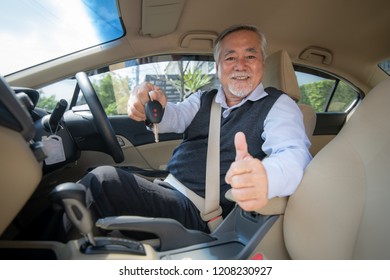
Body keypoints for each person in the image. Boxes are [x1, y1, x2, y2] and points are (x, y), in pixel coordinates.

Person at [79, 24, 312, 233]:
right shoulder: (205, 98)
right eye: (230, 58)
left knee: (103, 180)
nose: (240, 65)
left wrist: (265, 178)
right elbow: (173, 117)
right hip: (169, 187)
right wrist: (149, 105)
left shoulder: (279, 105)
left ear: (262, 62)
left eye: (250, 56)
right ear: (219, 67)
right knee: (90, 183)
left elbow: (294, 154)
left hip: (200, 213)